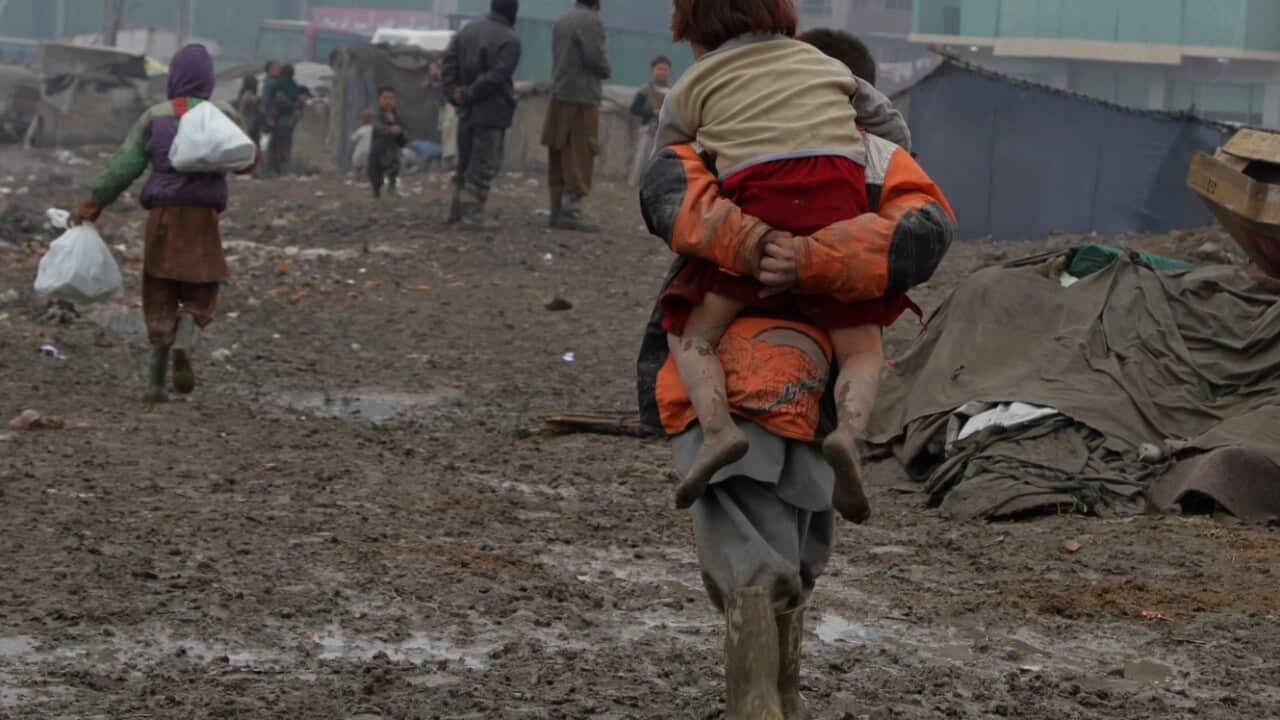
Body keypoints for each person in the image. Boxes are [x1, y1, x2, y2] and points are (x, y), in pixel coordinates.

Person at [637, 31, 955, 716]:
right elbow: (924, 232)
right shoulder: (881, 156)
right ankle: (783, 699)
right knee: (800, 554)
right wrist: (822, 259)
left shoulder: (727, 132)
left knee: (750, 564)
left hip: (734, 370)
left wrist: (757, 246)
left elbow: (668, 194)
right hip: (827, 385)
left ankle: (757, 707)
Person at [655, 0, 908, 519]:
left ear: (693, 31)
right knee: (861, 349)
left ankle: (719, 430)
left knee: (692, 331)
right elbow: (894, 131)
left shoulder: (694, 83)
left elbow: (668, 164)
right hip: (836, 213)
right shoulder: (826, 65)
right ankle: (850, 437)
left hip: (757, 215)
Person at [67, 45, 257, 403]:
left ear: (174, 77)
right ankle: (187, 331)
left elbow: (124, 166)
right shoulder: (224, 114)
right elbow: (247, 161)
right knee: (202, 286)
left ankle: (155, 383)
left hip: (163, 217)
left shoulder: (155, 116)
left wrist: (93, 203)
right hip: (204, 219)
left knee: (159, 288)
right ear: (209, 79)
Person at [441, 0, 523, 228]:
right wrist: (469, 93)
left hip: (465, 112)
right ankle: (472, 215)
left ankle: (455, 210)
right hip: (492, 112)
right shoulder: (510, 40)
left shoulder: (467, 30)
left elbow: (449, 64)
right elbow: (497, 77)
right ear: (513, 13)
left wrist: (454, 94)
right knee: (483, 165)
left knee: (465, 163)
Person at [541, 0, 610, 232]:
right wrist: (606, 69)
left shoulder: (562, 19)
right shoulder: (591, 20)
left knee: (559, 148)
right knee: (580, 151)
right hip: (582, 97)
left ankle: (556, 209)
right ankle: (571, 211)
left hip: (559, 93)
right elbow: (594, 57)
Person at [627, 55, 672, 187]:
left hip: (665, 131)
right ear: (653, 70)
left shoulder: (672, 91)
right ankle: (634, 183)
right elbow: (634, 108)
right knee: (641, 157)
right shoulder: (645, 89)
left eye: (665, 69)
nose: (662, 72)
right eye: (659, 69)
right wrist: (651, 112)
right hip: (647, 128)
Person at [369, 86, 406, 198]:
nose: (388, 102)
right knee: (375, 172)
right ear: (379, 100)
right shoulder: (377, 115)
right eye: (385, 98)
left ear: (395, 100)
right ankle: (376, 191)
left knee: (394, 167)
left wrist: (401, 135)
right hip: (378, 149)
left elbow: (402, 131)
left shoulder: (397, 116)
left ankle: (392, 186)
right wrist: (390, 129)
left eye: (391, 98)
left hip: (392, 148)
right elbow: (378, 127)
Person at [265, 64, 303, 176]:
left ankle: (273, 169)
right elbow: (298, 103)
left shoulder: (278, 85)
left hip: (279, 120)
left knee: (276, 145)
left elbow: (276, 102)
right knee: (286, 144)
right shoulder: (294, 86)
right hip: (291, 121)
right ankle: (284, 169)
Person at [236, 74, 261, 147]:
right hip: (250, 125)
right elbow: (254, 103)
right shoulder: (249, 95)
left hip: (244, 124)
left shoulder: (242, 94)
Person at [350, 109, 374, 175]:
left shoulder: (361, 130)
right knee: (366, 171)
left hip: (360, 153)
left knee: (356, 169)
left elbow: (353, 139)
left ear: (362, 120)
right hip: (370, 153)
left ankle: (356, 180)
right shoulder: (373, 130)